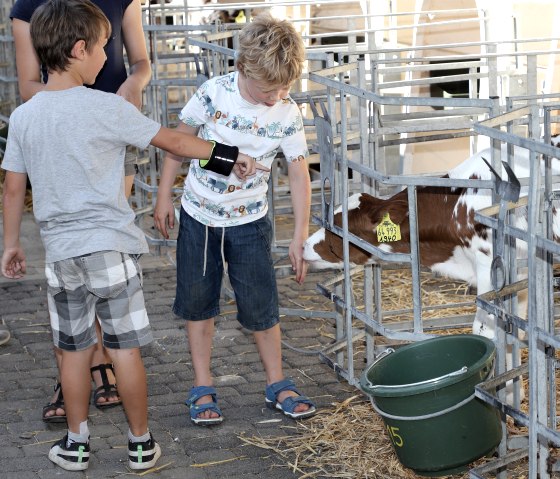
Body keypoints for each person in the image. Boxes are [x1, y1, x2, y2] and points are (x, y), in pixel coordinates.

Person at [1, 0, 256, 470]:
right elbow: (174, 142)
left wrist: (11, 244)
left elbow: (13, 187)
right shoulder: (104, 107)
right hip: (110, 251)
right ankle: (140, 444)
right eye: (103, 47)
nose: (106, 56)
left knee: (73, 355)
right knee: (124, 352)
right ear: (79, 50)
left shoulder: (25, 116)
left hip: (61, 257)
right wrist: (225, 154)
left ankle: (77, 444)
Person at [154, 12, 317, 425]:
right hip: (200, 215)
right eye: (268, 89)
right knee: (198, 303)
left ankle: (277, 382)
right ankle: (202, 386)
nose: (276, 96)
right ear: (243, 68)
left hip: (250, 222)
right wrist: (163, 198)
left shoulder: (286, 112)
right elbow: (178, 143)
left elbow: (299, 172)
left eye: (284, 88)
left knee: (262, 304)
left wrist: (300, 234)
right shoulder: (214, 94)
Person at [10, 0, 151, 420]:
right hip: (74, 128)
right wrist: (81, 105)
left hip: (114, 127)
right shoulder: (27, 7)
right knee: (91, 253)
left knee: (102, 237)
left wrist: (134, 85)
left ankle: (103, 362)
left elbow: (140, 60)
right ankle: (80, 366)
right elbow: (28, 84)